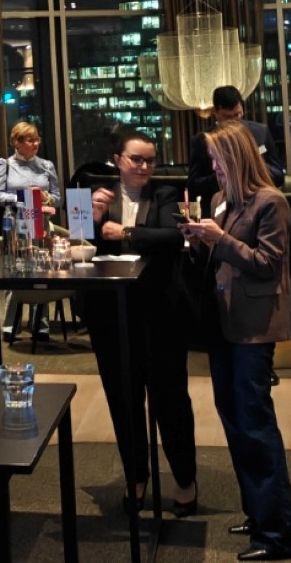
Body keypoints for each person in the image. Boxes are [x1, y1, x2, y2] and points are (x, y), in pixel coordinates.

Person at [184, 121, 291, 561]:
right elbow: (220, 258)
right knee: (235, 421)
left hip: (254, 328)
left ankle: (280, 536)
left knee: (255, 425)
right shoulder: (222, 200)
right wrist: (199, 242)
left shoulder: (271, 203)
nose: (213, 169)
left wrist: (220, 239)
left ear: (237, 159)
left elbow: (268, 263)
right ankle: (259, 515)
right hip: (224, 323)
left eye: (218, 161)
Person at [85, 128, 200, 515]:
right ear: (117, 160)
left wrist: (127, 232)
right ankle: (136, 476)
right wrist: (93, 218)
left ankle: (185, 479)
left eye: (150, 160)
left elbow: (172, 237)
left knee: (171, 399)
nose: (144, 166)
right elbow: (78, 245)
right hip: (112, 313)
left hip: (160, 312)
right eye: (136, 159)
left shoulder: (164, 194)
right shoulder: (97, 195)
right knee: (124, 399)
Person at [0, 121, 62, 339]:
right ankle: (10, 326)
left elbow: (58, 199)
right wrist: (22, 198)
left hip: (40, 221)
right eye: (30, 140)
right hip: (15, 222)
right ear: (17, 142)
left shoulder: (47, 166)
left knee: (40, 269)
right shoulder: (6, 164)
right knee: (16, 270)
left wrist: (45, 197)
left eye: (36, 139)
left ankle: (40, 325)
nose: (35, 144)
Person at [187, 85, 286, 201]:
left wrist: (251, 167)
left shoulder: (260, 132)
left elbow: (278, 175)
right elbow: (193, 186)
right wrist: (225, 175)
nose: (234, 121)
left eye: (238, 114)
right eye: (227, 117)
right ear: (215, 112)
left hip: (257, 201)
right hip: (219, 203)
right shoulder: (202, 140)